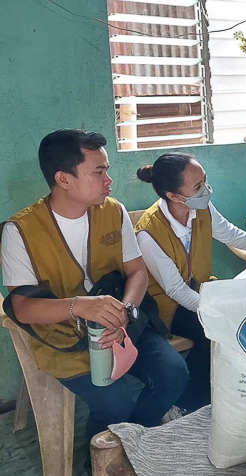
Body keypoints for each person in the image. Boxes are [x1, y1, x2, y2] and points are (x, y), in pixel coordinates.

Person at [1, 130, 188, 460]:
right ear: (64, 179)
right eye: (99, 172)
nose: (109, 180)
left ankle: (126, 445)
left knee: (174, 374)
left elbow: (137, 272)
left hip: (119, 325)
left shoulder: (112, 211)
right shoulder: (20, 231)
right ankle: (104, 458)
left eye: (107, 170)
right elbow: (22, 307)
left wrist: (126, 311)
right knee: (113, 401)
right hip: (63, 338)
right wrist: (79, 306)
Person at [135, 153, 246, 412]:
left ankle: (211, 397)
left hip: (202, 290)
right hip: (166, 306)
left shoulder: (201, 208)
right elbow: (175, 289)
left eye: (205, 181)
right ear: (174, 196)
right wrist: (216, 313)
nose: (207, 190)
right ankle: (187, 404)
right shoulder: (148, 233)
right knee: (213, 333)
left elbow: (230, 234)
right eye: (197, 187)